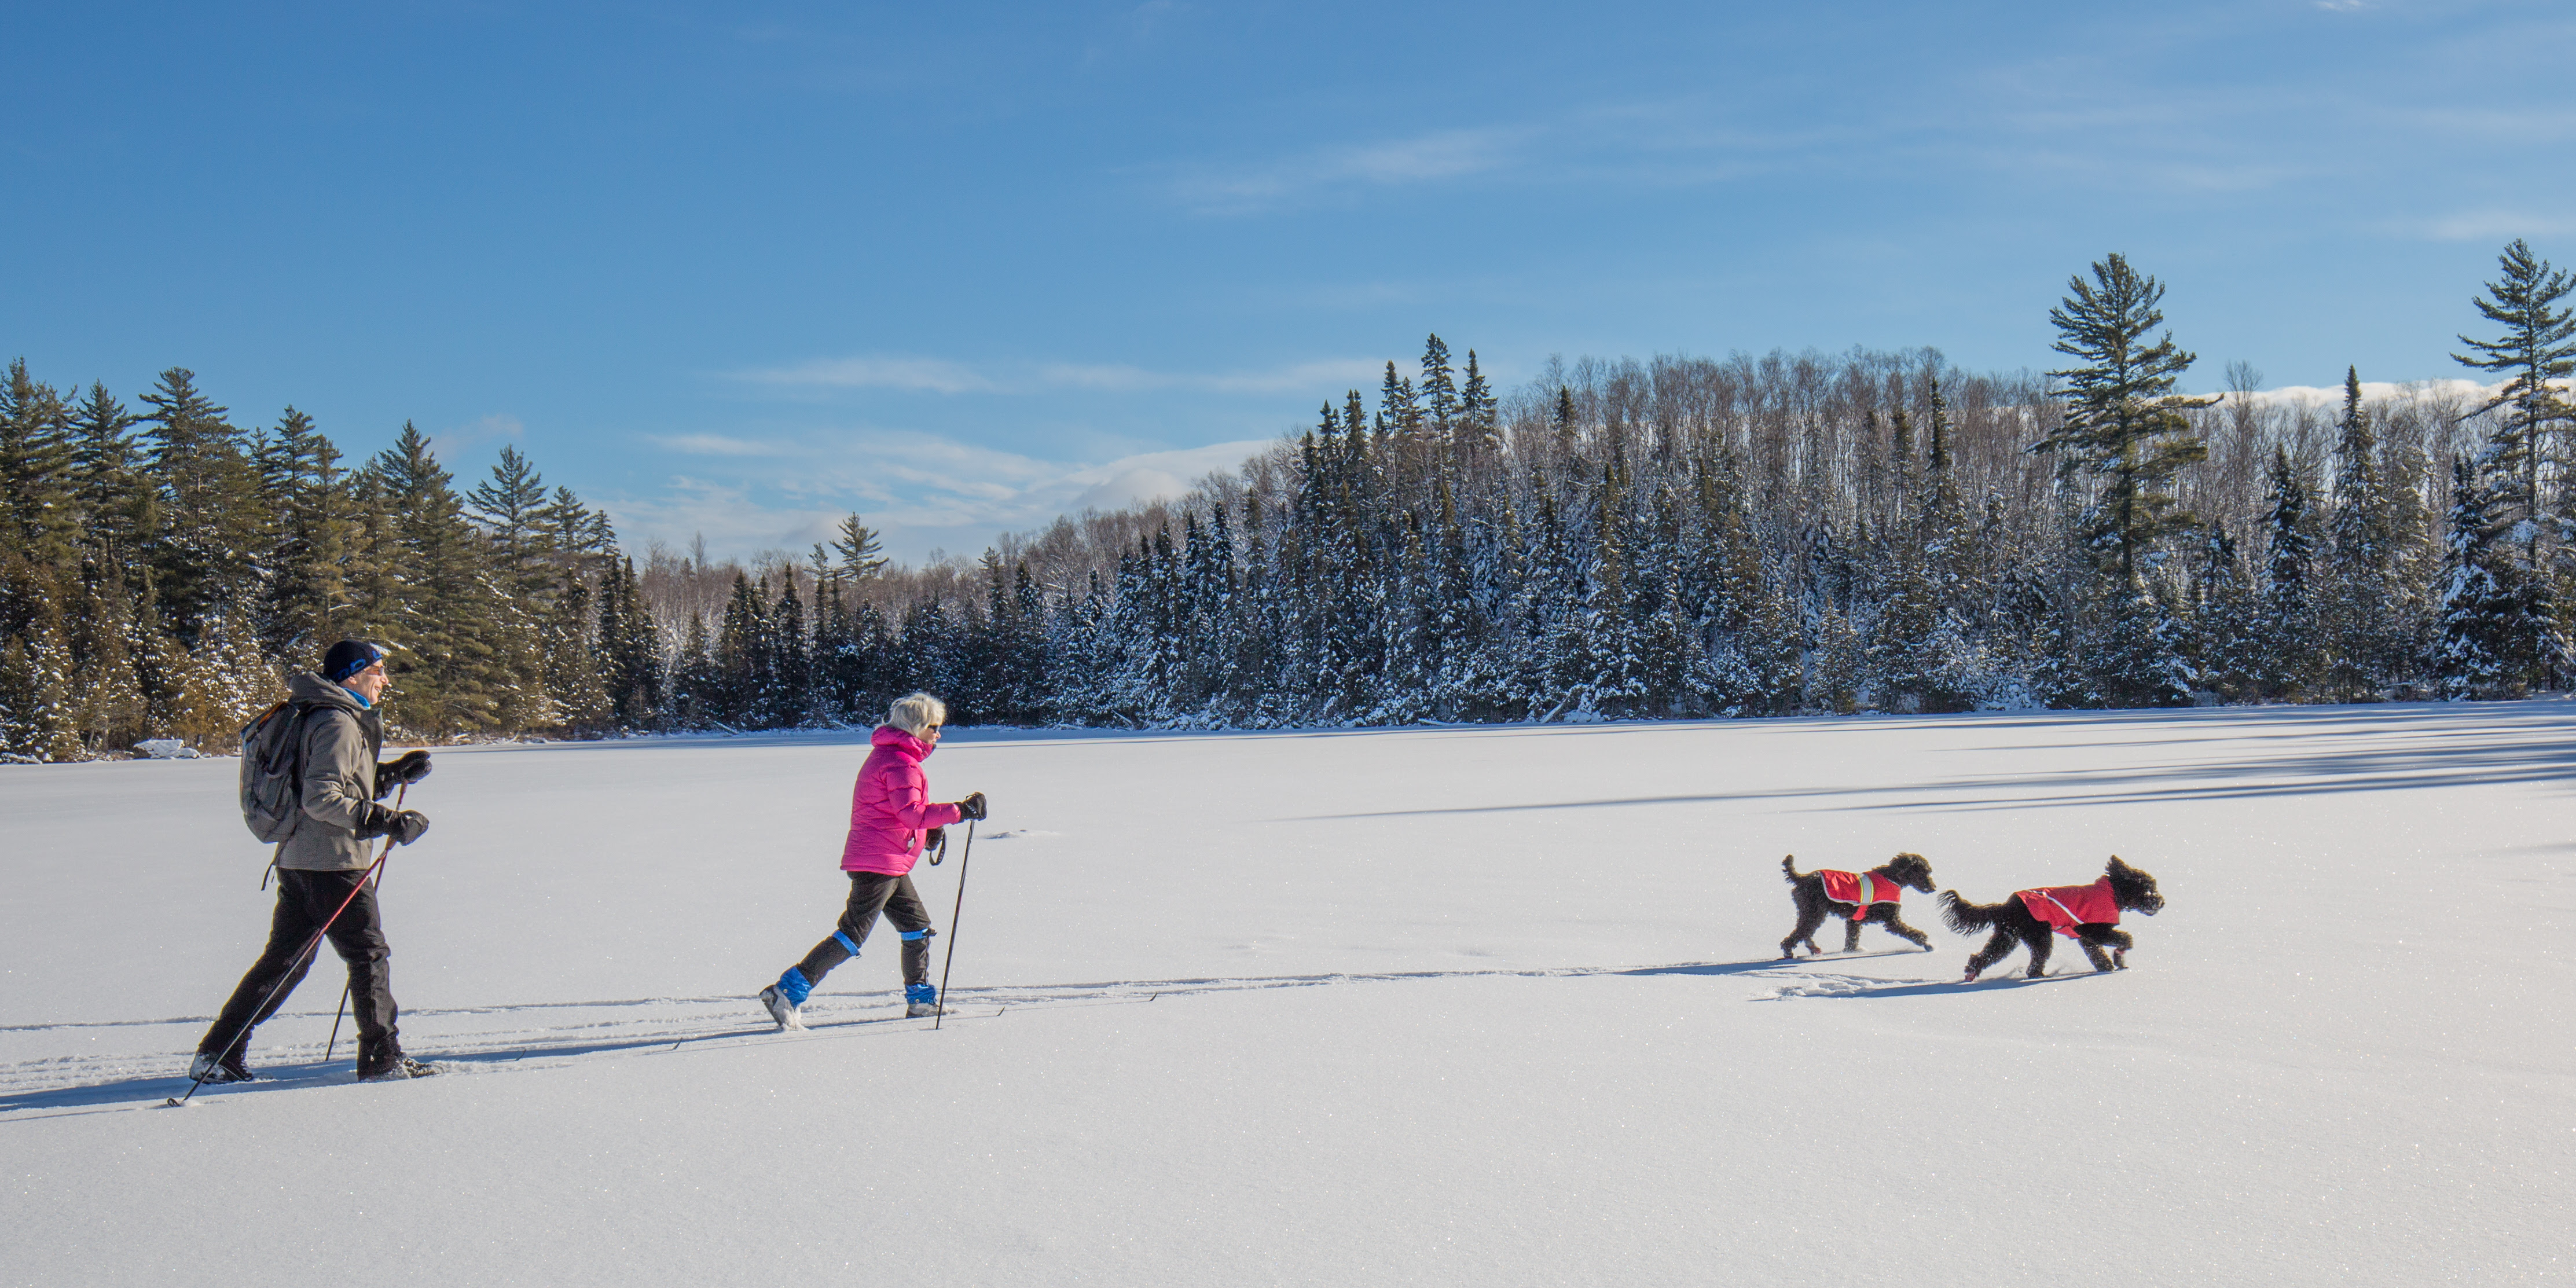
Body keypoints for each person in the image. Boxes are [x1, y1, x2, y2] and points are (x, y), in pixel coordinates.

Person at [190, 640, 438, 1084]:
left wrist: (394, 773)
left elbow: (336, 785)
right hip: (332, 862)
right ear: (354, 673)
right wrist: (386, 820)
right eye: (379, 670)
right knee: (368, 956)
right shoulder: (339, 721)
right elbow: (322, 797)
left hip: (299, 857)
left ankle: (217, 1052)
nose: (385, 679)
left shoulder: (319, 713)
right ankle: (383, 1059)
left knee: (285, 962)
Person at [759, 691, 987, 1029]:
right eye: (935, 727)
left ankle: (921, 1002)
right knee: (852, 934)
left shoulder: (893, 758)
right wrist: (959, 812)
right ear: (917, 727)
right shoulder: (900, 763)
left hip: (888, 861)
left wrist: (931, 829)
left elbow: (898, 815)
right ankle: (787, 991)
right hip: (879, 863)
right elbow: (911, 814)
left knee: (916, 927)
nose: (939, 734)